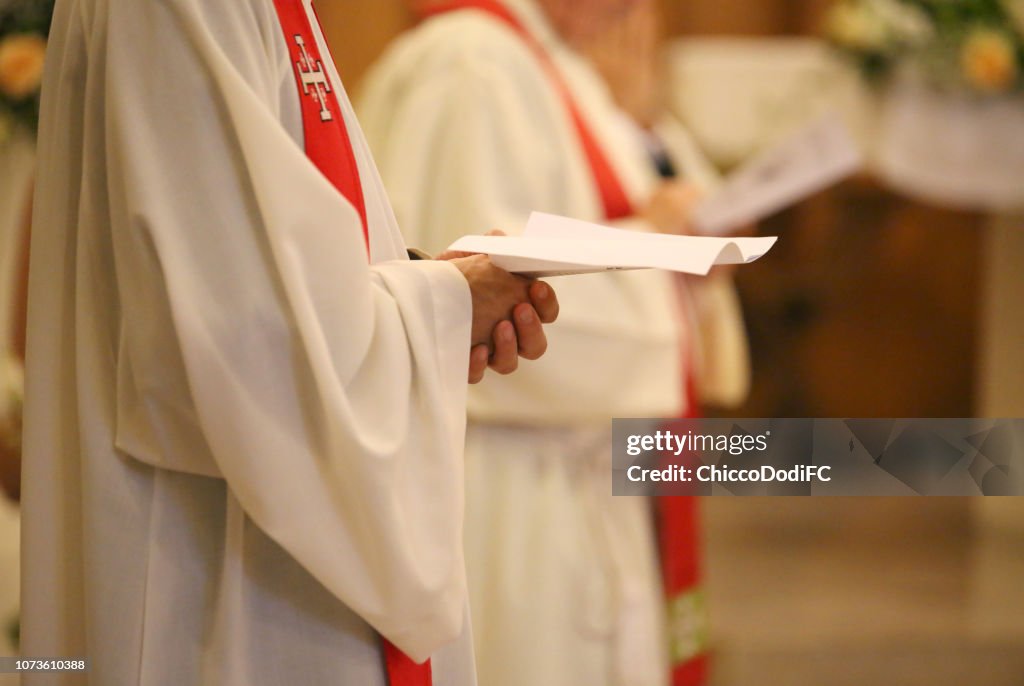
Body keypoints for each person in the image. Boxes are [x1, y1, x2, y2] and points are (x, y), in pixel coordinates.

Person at [20, 0, 560, 683]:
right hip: (224, 583)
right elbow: (234, 345)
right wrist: (447, 307)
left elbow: (256, 269)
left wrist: (433, 292)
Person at [360, 1, 748, 684]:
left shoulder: (553, 62)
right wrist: (662, 257)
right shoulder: (471, 62)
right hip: (510, 486)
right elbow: (476, 291)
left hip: (574, 468)